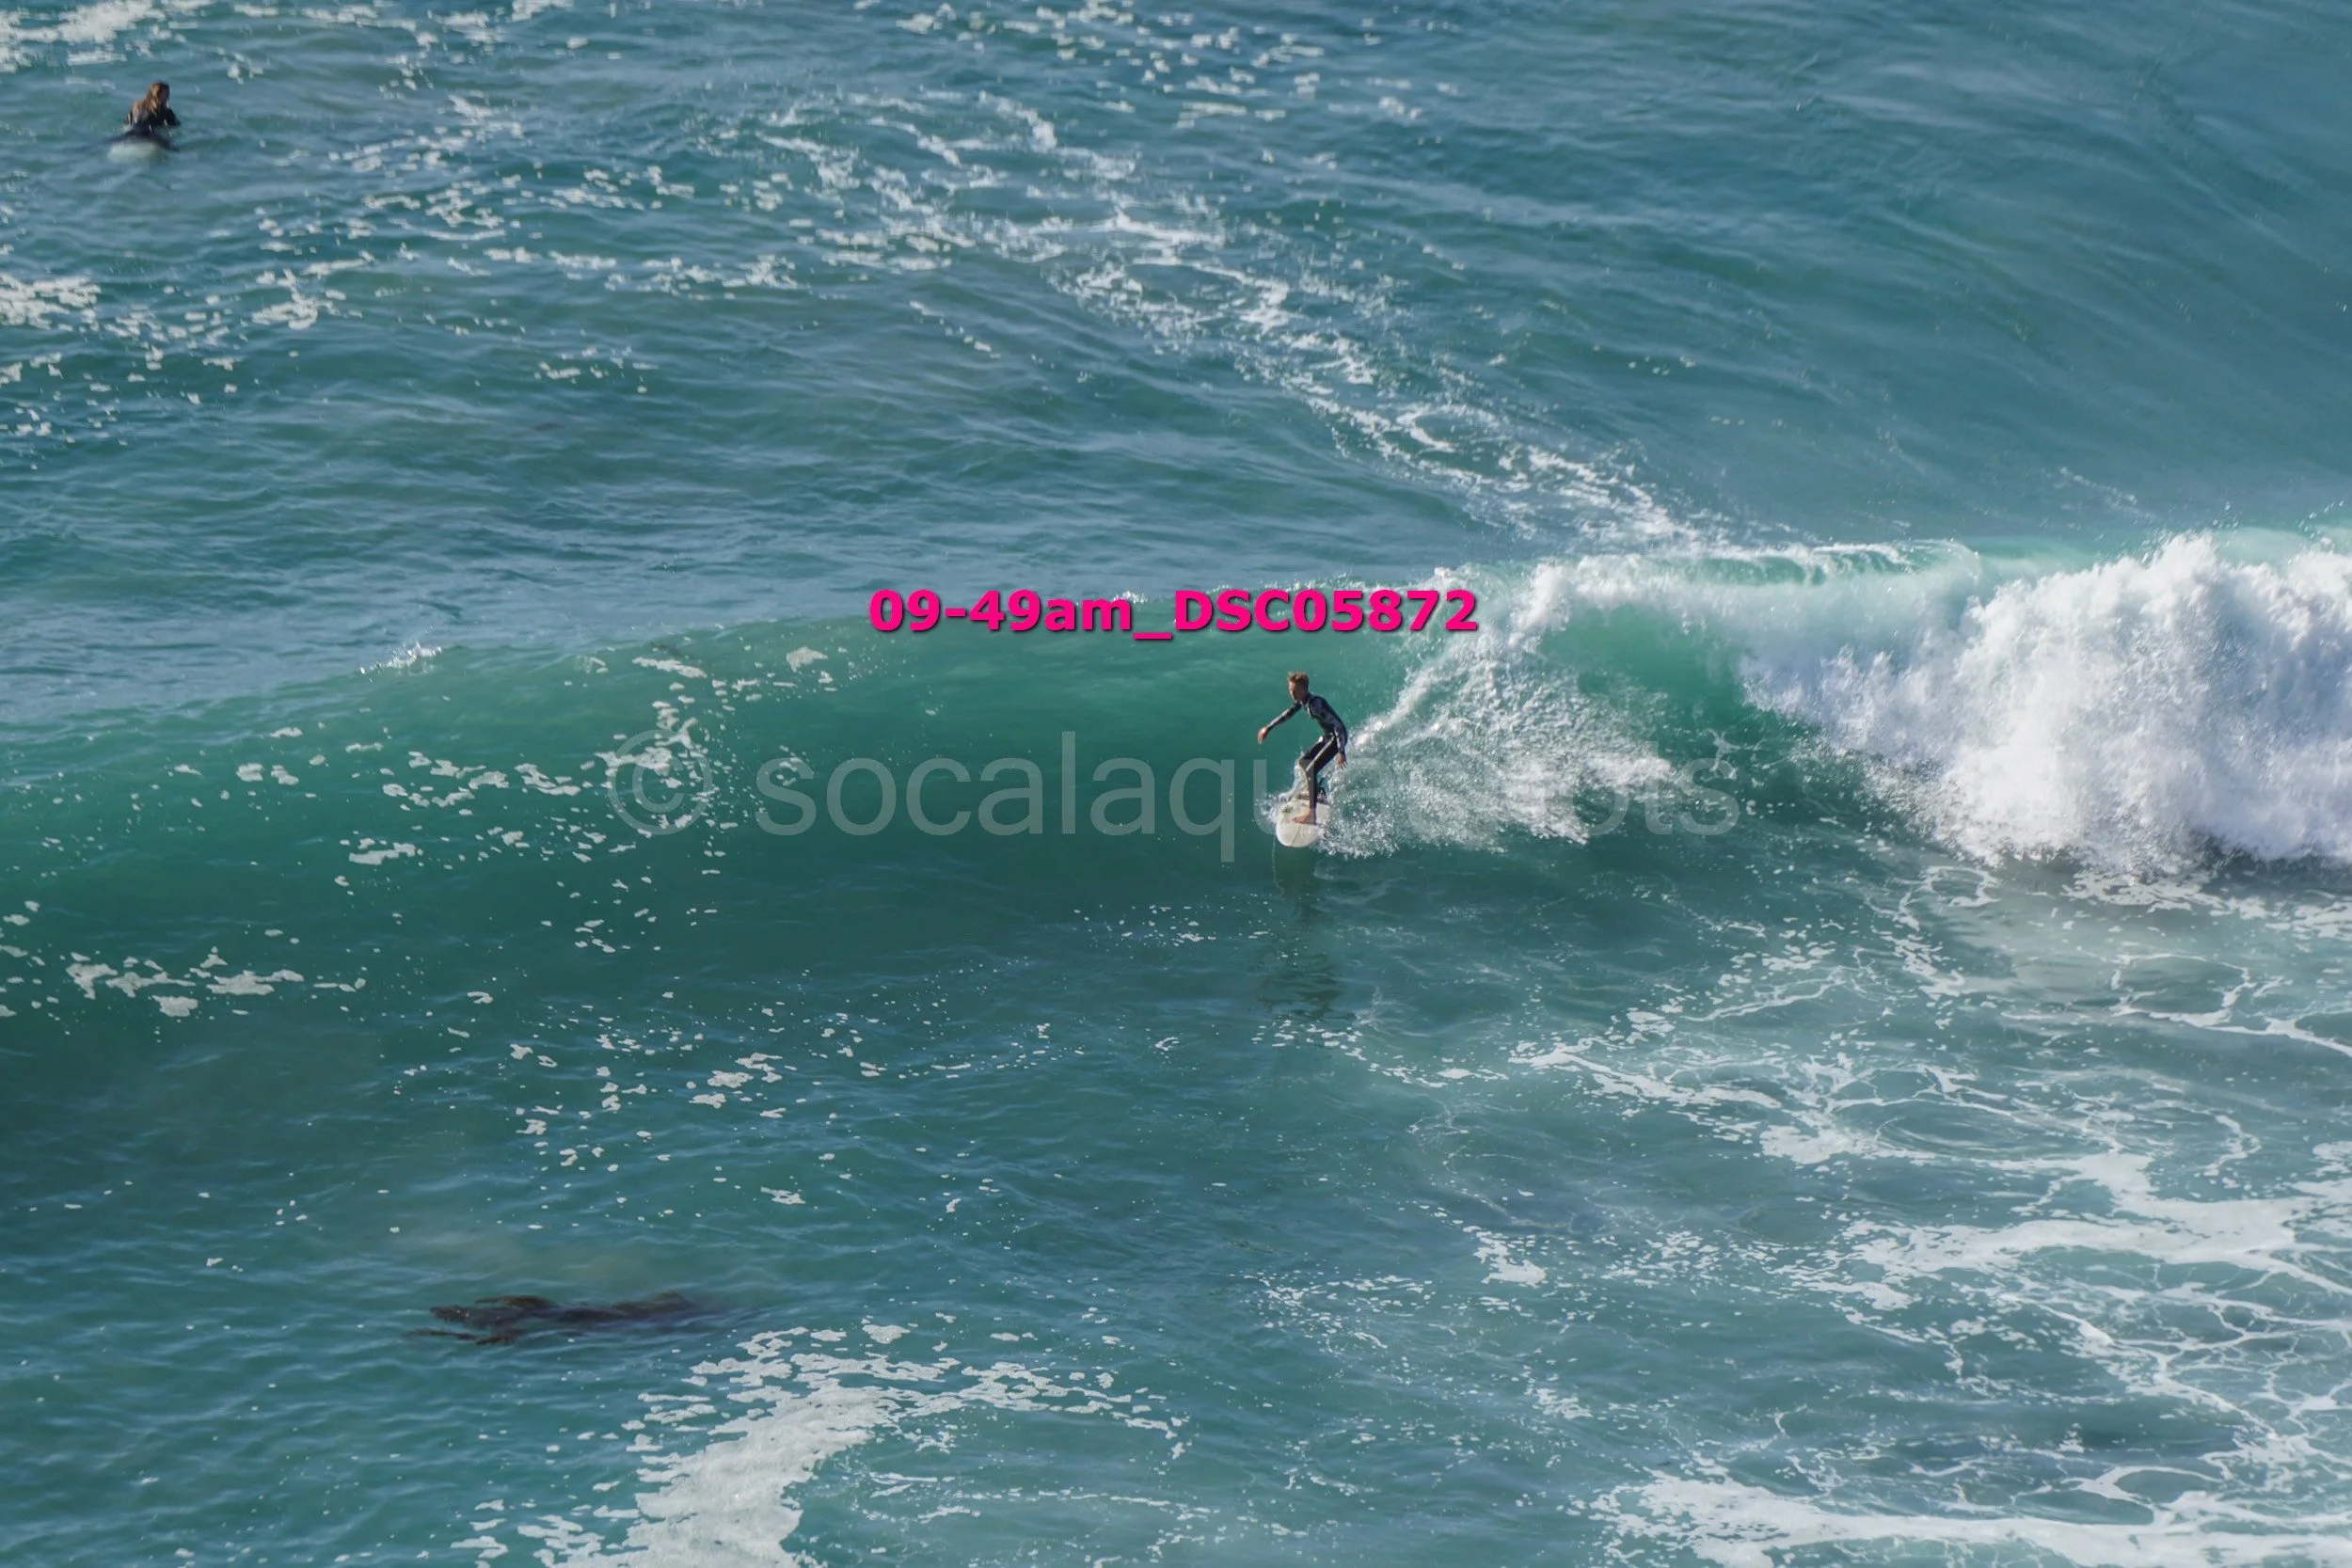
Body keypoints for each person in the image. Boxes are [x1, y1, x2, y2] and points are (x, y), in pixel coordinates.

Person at [1258, 671, 1348, 812]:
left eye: (1295, 690)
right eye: (1290, 690)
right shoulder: (1302, 701)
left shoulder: (1316, 704)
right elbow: (1287, 714)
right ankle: (1318, 793)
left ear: (1304, 689)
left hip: (1337, 738)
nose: (1292, 694)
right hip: (1328, 736)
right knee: (1303, 762)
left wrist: (1341, 751)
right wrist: (1268, 728)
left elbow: (1339, 726)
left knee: (1311, 769)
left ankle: (1311, 813)